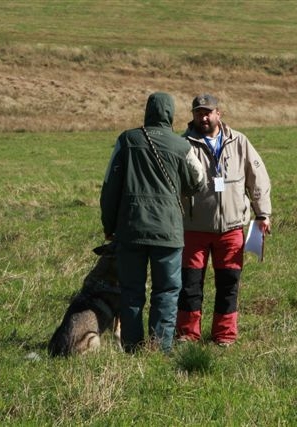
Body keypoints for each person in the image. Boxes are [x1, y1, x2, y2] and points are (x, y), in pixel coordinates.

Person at [100, 92, 205, 354]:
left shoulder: (127, 140)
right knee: (167, 292)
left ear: (147, 111)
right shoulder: (182, 146)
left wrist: (109, 225)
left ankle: (132, 348)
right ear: (170, 115)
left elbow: (109, 188)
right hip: (168, 232)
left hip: (131, 229)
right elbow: (199, 180)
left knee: (131, 291)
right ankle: (160, 349)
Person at [176, 94, 271, 347]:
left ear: (219, 113)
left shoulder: (239, 141)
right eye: (198, 113)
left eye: (208, 112)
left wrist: (262, 214)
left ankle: (224, 336)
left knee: (229, 284)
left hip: (231, 229)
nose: (203, 117)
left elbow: (258, 178)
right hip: (193, 229)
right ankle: (187, 334)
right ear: (193, 115)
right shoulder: (183, 144)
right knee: (190, 285)